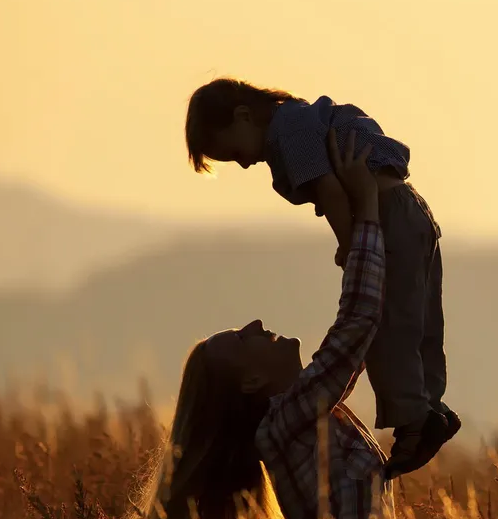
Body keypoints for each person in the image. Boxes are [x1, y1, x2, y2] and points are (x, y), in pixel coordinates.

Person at [130, 129, 395, 519]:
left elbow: (364, 329)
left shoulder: (312, 419)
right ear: (251, 382)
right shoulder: (285, 423)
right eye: (241, 339)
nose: (254, 323)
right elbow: (357, 323)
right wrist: (367, 211)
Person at [184, 77, 457, 479]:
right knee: (420, 320)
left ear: (244, 117)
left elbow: (329, 191)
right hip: (410, 207)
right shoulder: (302, 118)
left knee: (389, 327)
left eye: (235, 152)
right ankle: (432, 406)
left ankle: (415, 421)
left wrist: (353, 249)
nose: (243, 163)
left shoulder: (287, 138)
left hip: (384, 213)